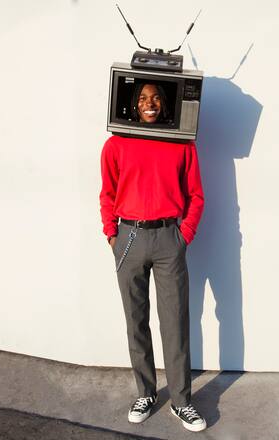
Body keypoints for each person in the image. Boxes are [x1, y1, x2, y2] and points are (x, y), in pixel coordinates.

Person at [99, 82, 207, 432]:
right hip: (128, 237)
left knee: (174, 321)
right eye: (143, 98)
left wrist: (183, 236)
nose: (150, 103)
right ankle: (145, 392)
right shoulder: (115, 144)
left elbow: (196, 195)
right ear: (133, 104)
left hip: (167, 238)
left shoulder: (181, 145)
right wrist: (112, 234)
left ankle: (181, 401)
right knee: (136, 319)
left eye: (156, 97)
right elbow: (107, 192)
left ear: (165, 103)